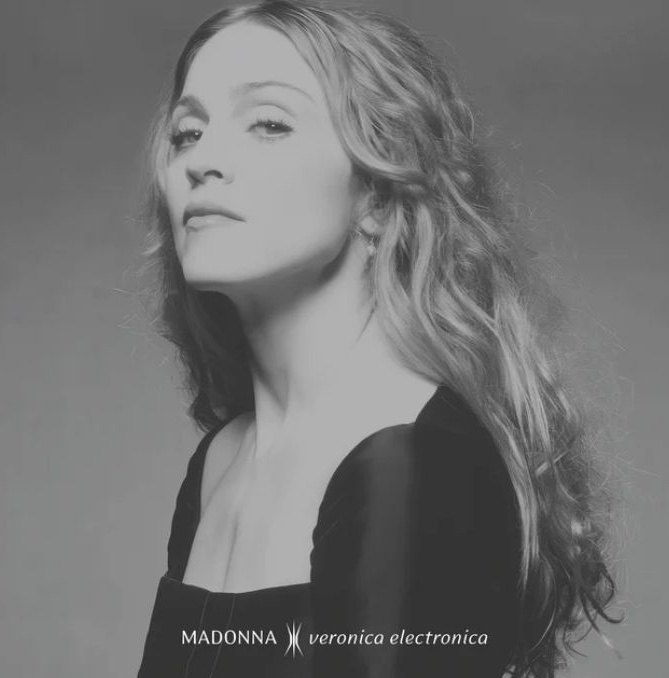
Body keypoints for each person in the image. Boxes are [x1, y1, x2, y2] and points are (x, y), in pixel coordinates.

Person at [135, 1, 621, 676]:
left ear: (376, 193)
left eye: (269, 123)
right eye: (187, 133)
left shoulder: (410, 461)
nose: (202, 161)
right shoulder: (218, 462)